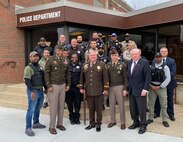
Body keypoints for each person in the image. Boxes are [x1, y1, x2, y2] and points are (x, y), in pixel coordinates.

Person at [78, 49, 109, 132]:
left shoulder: (102, 65)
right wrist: (81, 87)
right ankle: (92, 123)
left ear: (96, 56)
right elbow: (82, 77)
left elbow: (105, 78)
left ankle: (98, 124)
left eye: (94, 55)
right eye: (91, 55)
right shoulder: (85, 65)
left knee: (99, 109)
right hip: (88, 91)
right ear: (89, 56)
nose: (93, 57)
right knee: (91, 108)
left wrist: (106, 89)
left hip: (99, 91)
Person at [44, 45, 71, 135]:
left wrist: (68, 84)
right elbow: (46, 73)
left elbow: (67, 73)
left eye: (61, 50)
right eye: (58, 50)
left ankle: (60, 124)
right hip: (54, 86)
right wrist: (49, 85)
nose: (60, 52)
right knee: (53, 107)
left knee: (61, 106)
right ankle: (52, 126)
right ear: (56, 51)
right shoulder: (50, 59)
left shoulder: (65, 60)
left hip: (63, 85)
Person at [127, 48, 151, 134]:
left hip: (141, 90)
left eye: (136, 54)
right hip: (131, 90)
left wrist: (145, 89)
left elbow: (148, 77)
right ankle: (136, 122)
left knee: (141, 109)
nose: (134, 56)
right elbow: (129, 77)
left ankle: (143, 125)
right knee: (133, 109)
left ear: (139, 54)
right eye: (132, 54)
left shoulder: (144, 62)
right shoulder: (129, 63)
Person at [24, 51, 46, 136]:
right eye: (34, 56)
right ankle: (28, 128)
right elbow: (27, 81)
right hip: (33, 91)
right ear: (30, 58)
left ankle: (36, 123)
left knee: (38, 108)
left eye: (37, 56)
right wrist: (32, 91)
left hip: (40, 91)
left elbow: (42, 79)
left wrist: (46, 88)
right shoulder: (28, 68)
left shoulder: (39, 67)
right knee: (31, 110)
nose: (36, 58)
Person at [147, 52, 171, 127]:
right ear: (155, 58)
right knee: (150, 104)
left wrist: (160, 86)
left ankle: (164, 120)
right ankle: (150, 118)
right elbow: (147, 77)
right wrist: (150, 85)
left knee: (164, 104)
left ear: (161, 58)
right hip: (152, 88)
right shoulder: (150, 66)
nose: (158, 58)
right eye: (157, 57)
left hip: (161, 88)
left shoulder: (165, 67)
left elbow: (168, 78)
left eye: (159, 57)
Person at [154, 47, 177, 121]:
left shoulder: (172, 61)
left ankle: (171, 114)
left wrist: (163, 76)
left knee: (169, 99)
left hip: (169, 84)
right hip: (158, 84)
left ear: (167, 52)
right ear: (160, 52)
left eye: (165, 51)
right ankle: (156, 113)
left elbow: (173, 72)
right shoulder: (155, 61)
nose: (163, 52)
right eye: (162, 51)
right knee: (158, 99)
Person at [107, 49, 128, 130]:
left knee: (121, 105)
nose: (114, 57)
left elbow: (125, 78)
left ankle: (123, 122)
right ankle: (113, 121)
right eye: (112, 55)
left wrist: (125, 89)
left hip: (120, 86)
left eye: (115, 55)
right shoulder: (108, 65)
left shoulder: (122, 64)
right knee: (111, 105)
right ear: (110, 56)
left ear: (118, 56)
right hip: (111, 87)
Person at [65, 54, 82, 125]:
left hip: (77, 88)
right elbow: (64, 76)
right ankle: (71, 117)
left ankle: (77, 117)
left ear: (77, 58)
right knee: (69, 103)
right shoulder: (67, 66)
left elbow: (82, 76)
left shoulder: (80, 66)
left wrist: (81, 85)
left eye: (75, 57)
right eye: (73, 57)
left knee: (77, 103)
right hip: (69, 88)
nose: (74, 58)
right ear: (71, 58)